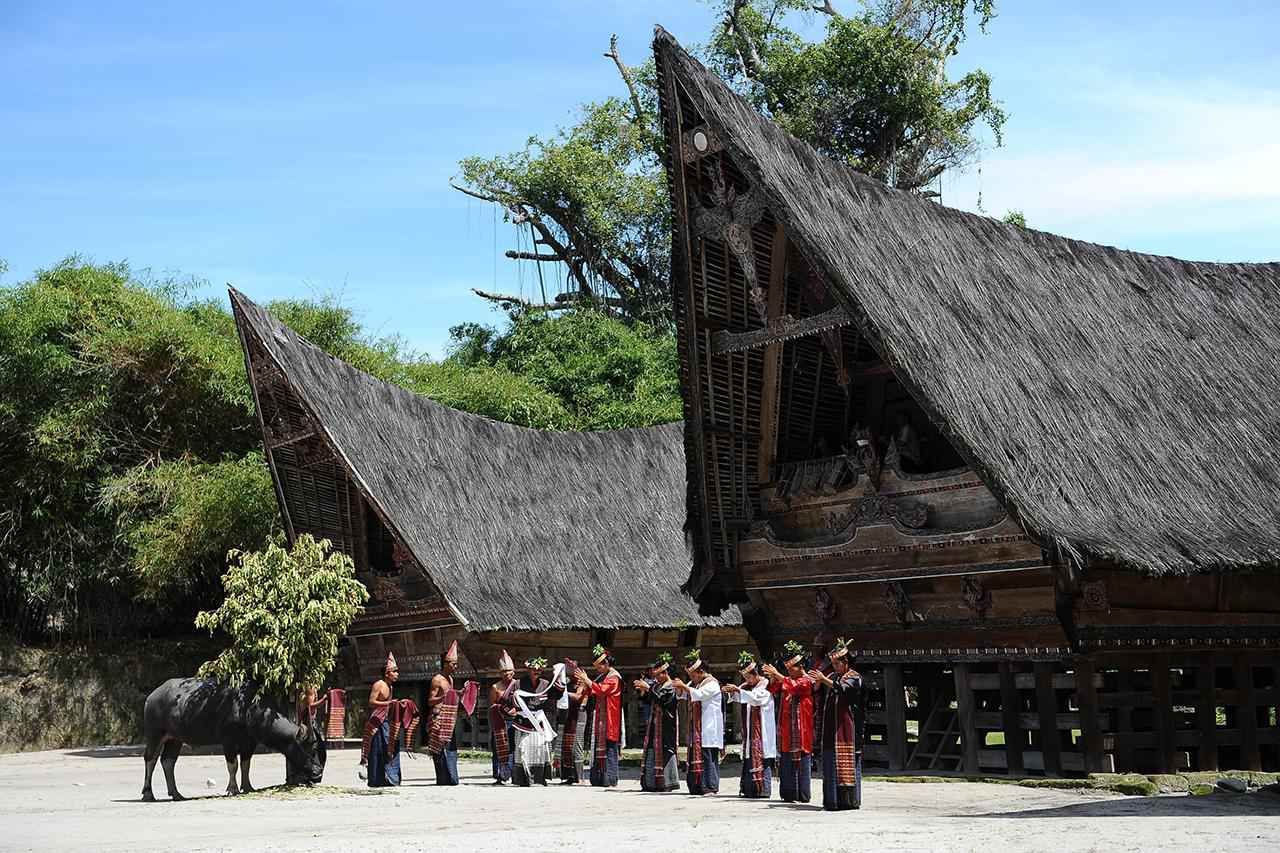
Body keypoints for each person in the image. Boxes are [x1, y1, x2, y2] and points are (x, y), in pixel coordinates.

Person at [808, 637, 865, 811]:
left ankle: (849, 802)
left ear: (846, 662)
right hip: (830, 729)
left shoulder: (854, 677)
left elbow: (842, 689)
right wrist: (817, 683)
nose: (834, 667)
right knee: (830, 763)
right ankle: (831, 802)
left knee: (847, 763)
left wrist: (824, 680)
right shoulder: (832, 675)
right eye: (833, 664)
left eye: (837, 663)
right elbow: (817, 691)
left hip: (847, 729)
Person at [763, 640, 815, 803]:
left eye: (791, 668)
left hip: (801, 729)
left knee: (802, 761)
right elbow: (773, 689)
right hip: (787, 729)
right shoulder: (787, 679)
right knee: (786, 761)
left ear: (800, 667)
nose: (789, 672)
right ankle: (788, 794)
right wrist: (772, 677)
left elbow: (793, 686)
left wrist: (778, 675)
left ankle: (802, 794)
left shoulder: (806, 680)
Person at [723, 650, 776, 799]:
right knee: (748, 755)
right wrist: (731, 692)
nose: (747, 679)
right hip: (750, 730)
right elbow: (742, 698)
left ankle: (763, 789)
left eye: (748, 677)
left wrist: (738, 690)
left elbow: (756, 699)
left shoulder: (765, 686)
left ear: (756, 674)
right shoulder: (747, 686)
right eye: (745, 677)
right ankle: (749, 789)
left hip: (762, 731)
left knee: (762, 756)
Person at [671, 648, 723, 796]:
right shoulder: (695, 683)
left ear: (700, 672)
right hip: (696, 728)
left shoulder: (712, 683)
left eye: (693, 675)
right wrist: (679, 687)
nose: (691, 678)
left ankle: (710, 786)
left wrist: (685, 687)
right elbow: (683, 695)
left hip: (708, 727)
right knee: (696, 754)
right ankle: (696, 786)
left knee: (708, 756)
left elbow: (699, 695)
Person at [576, 644, 621, 787]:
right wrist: (584, 683)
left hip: (610, 716)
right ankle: (598, 778)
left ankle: (610, 778)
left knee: (610, 746)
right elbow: (594, 690)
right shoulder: (604, 675)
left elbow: (602, 690)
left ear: (606, 663)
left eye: (599, 666)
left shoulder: (614, 677)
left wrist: (588, 680)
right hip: (601, 716)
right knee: (599, 746)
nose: (598, 670)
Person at [635, 652, 679, 792]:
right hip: (654, 724)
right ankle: (650, 783)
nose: (655, 678)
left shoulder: (671, 687)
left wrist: (648, 689)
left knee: (666, 752)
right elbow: (649, 700)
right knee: (651, 751)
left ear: (665, 673)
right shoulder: (656, 686)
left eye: (657, 675)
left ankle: (667, 783)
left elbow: (663, 702)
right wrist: (643, 691)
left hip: (666, 725)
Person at [426, 640, 466, 786]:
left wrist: (460, 695)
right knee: (439, 749)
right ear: (445, 663)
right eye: (453, 664)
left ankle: (452, 778)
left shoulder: (450, 679)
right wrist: (445, 696)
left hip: (449, 719)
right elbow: (430, 701)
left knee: (450, 748)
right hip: (438, 718)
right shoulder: (437, 679)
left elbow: (452, 697)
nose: (455, 667)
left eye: (456, 664)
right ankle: (442, 779)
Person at [512, 657, 553, 786]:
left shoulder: (545, 684)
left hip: (539, 721)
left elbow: (552, 701)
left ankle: (539, 778)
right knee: (522, 748)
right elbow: (509, 700)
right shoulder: (518, 683)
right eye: (533, 669)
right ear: (527, 669)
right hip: (522, 721)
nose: (537, 671)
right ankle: (523, 779)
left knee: (540, 749)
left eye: (539, 669)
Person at [363, 652, 402, 787]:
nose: (397, 674)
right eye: (395, 672)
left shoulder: (390, 686)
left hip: (386, 721)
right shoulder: (379, 685)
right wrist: (388, 704)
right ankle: (375, 779)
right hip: (376, 721)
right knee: (376, 750)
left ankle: (389, 778)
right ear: (387, 673)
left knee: (389, 747)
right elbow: (371, 702)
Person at [557, 658, 589, 784]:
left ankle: (579, 777)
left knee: (577, 744)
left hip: (579, 713)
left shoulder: (583, 681)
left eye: (573, 668)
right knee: (567, 745)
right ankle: (569, 776)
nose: (571, 670)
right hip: (568, 713)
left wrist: (564, 692)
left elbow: (578, 697)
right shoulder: (567, 681)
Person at [489, 650, 518, 784]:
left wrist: (515, 711)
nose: (507, 674)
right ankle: (499, 775)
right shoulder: (496, 687)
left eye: (509, 671)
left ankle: (509, 773)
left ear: (514, 671)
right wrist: (503, 709)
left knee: (511, 747)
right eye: (504, 672)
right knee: (498, 747)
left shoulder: (517, 685)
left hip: (514, 720)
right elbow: (492, 705)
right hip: (500, 721)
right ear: (500, 673)